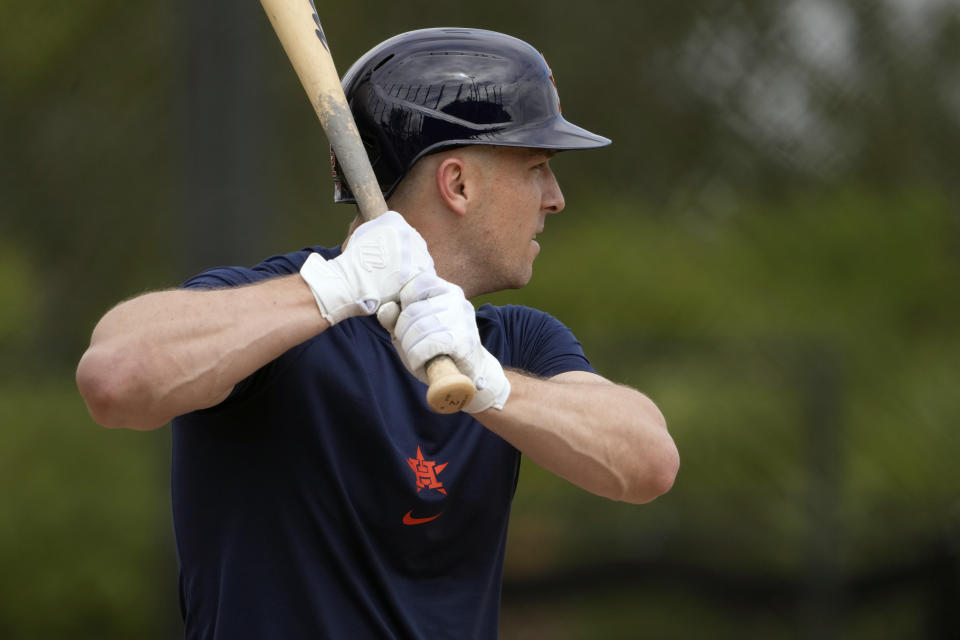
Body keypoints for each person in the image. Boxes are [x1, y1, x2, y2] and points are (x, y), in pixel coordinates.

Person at [76, 27, 679, 639]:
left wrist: (489, 381)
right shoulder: (275, 317)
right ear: (458, 184)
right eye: (537, 167)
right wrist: (332, 289)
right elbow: (115, 376)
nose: (555, 198)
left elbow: (648, 463)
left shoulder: (513, 345)